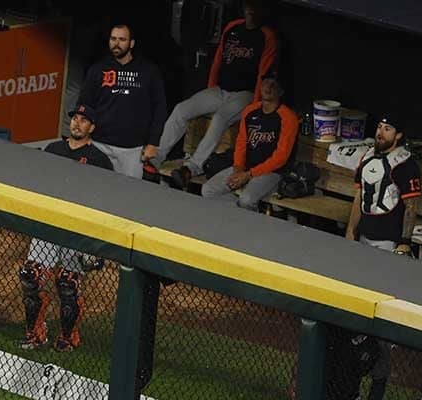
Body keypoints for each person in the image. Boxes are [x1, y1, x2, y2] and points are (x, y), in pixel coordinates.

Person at [154, 0, 278, 190]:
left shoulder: (266, 35)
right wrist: (211, 87)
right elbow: (218, 59)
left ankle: (192, 168)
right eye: (248, 5)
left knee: (220, 118)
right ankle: (157, 157)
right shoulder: (233, 27)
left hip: (245, 94)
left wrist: (256, 104)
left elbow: (264, 71)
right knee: (181, 109)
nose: (251, 10)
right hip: (220, 90)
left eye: (255, 6)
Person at [18, 104, 112, 353]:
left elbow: (104, 202)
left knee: (68, 284)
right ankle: (35, 334)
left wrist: (96, 242)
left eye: (84, 120)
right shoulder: (53, 149)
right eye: (75, 118)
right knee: (31, 276)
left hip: (77, 229)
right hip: (49, 224)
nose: (77, 123)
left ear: (92, 127)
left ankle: (68, 338)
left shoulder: (100, 160)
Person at [341, 114, 420, 400]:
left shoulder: (405, 164)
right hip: (363, 240)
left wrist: (404, 243)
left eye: (387, 129)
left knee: (381, 322)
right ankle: (349, 387)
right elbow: (359, 198)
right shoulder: (366, 158)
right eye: (379, 127)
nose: (381, 132)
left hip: (388, 245)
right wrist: (350, 230)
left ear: (398, 135)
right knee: (355, 315)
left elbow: (411, 206)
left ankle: (377, 389)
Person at [77, 23, 167, 179]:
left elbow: (160, 109)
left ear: (131, 43)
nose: (116, 43)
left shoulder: (149, 71)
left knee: (128, 192)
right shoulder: (97, 70)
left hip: (132, 150)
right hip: (99, 144)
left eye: (122, 39)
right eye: (113, 39)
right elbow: (84, 106)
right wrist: (81, 136)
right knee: (93, 188)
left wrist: (153, 143)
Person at [200, 71, 297, 210]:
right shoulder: (250, 111)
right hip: (246, 168)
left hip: (273, 172)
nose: (268, 88)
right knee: (208, 190)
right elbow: (241, 143)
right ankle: (240, 215)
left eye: (273, 85)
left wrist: (249, 174)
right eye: (265, 83)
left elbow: (281, 158)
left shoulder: (288, 117)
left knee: (246, 200)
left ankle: (245, 216)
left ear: (281, 92)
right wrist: (238, 168)